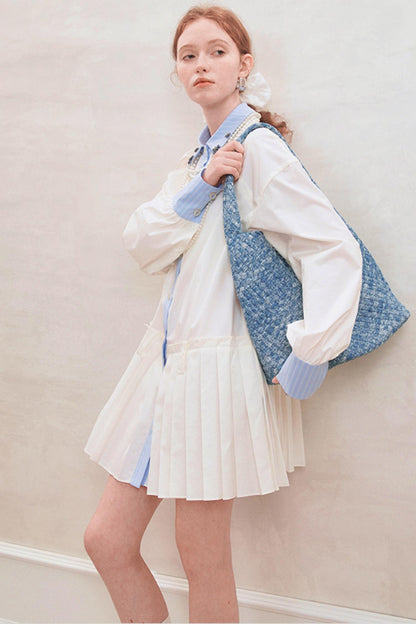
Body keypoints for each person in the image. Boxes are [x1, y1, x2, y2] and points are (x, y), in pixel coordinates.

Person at [83, 5, 363, 623]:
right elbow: (143, 244)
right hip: (162, 372)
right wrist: (201, 185)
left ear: (244, 65)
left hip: (215, 377)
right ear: (177, 73)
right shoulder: (196, 162)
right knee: (105, 541)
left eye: (216, 51)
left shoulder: (259, 149)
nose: (201, 65)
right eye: (188, 56)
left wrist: (312, 349)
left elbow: (332, 247)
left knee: (201, 555)